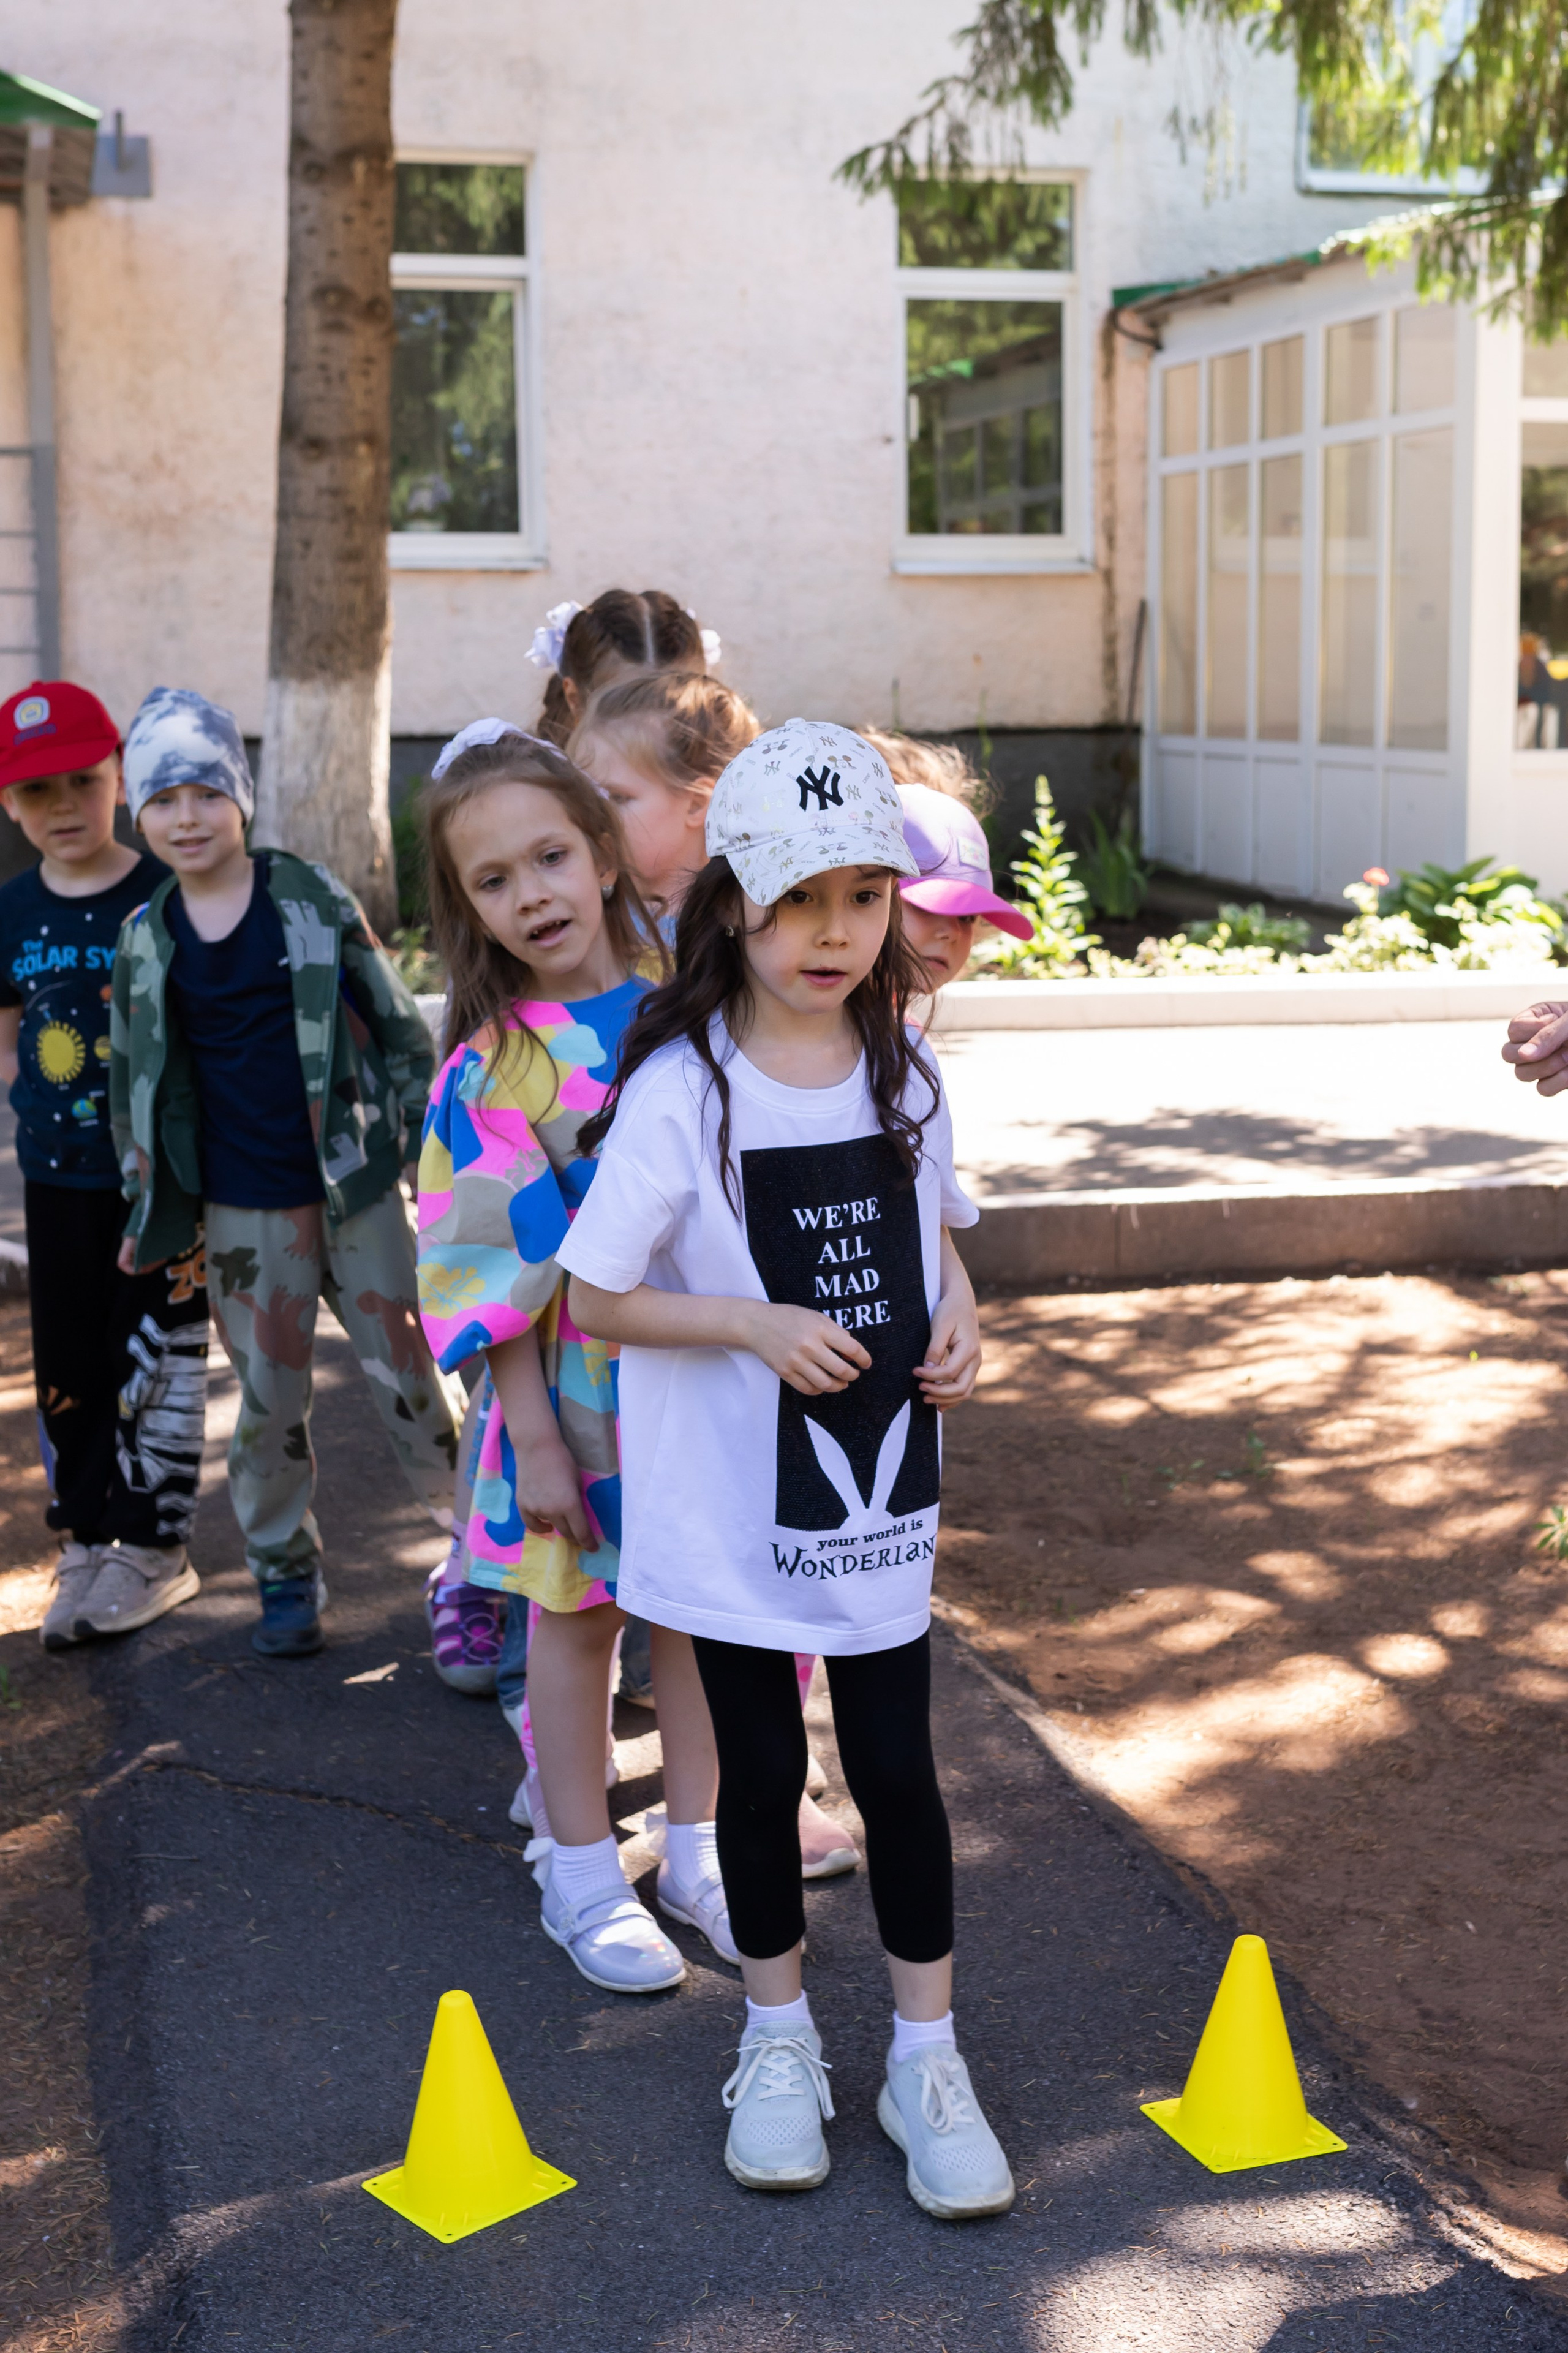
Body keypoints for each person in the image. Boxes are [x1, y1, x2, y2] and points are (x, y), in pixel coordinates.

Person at [559, 719, 1014, 2217]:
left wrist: (955, 1313)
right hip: (722, 1516)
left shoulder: (907, 1075)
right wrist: (748, 1323)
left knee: (893, 1769)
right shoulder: (684, 1087)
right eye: (799, 894)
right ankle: (772, 2038)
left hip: (875, 1511)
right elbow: (597, 1296)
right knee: (756, 1772)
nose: (833, 931)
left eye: (864, 897)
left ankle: (923, 2056)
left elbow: (937, 1239)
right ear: (733, 901)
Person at [414, 728, 734, 1992]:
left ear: (604, 855)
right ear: (467, 907)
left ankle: (702, 1844)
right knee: (575, 1616)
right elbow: (481, 1266)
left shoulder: (702, 1005)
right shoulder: (491, 1070)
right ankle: (579, 1861)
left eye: (549, 855)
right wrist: (532, 1435)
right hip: (571, 1403)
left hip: (699, 1378)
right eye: (493, 880)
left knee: (697, 1617)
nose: (531, 893)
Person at [110, 688, 459, 1658]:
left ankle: (486, 1558)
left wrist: (429, 1148)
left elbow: (397, 1025)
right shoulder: (145, 942)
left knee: (415, 1376)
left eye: (206, 793)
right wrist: (149, 1202)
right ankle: (284, 1572)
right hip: (239, 1212)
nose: (187, 817)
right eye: (163, 799)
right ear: (138, 815)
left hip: (353, 1188)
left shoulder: (307, 896)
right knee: (267, 1402)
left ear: (242, 797)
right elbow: (132, 1083)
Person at [0, 680, 208, 1648]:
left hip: (158, 1187)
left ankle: (156, 1548)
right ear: (10, 804)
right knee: (72, 1363)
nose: (62, 807)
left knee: (158, 1361)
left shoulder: (164, 898)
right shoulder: (10, 912)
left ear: (118, 776)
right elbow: (12, 1034)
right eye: (36, 792)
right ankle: (87, 1536)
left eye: (81, 780)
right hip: (55, 1180)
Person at [860, 730, 1031, 986]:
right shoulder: (815, 1020)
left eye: (968, 917)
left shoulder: (901, 1025)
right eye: (925, 906)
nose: (952, 933)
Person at [527, 589, 719, 747]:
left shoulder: (733, 783)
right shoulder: (539, 790)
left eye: (681, 712)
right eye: (629, 708)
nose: (659, 732)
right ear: (576, 701)